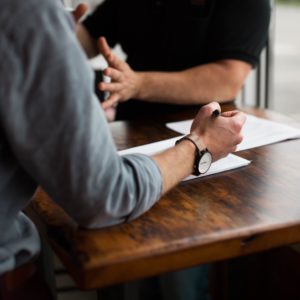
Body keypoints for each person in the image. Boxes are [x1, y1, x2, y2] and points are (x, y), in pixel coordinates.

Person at [0, 0, 246, 299]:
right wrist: (200, 146)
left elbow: (228, 78)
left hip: (194, 165)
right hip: (144, 152)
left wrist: (56, 37)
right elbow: (105, 195)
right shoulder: (29, 13)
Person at [76, 0, 271, 120]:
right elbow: (91, 37)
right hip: (133, 125)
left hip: (204, 131)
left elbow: (227, 79)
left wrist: (137, 84)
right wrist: (55, 30)